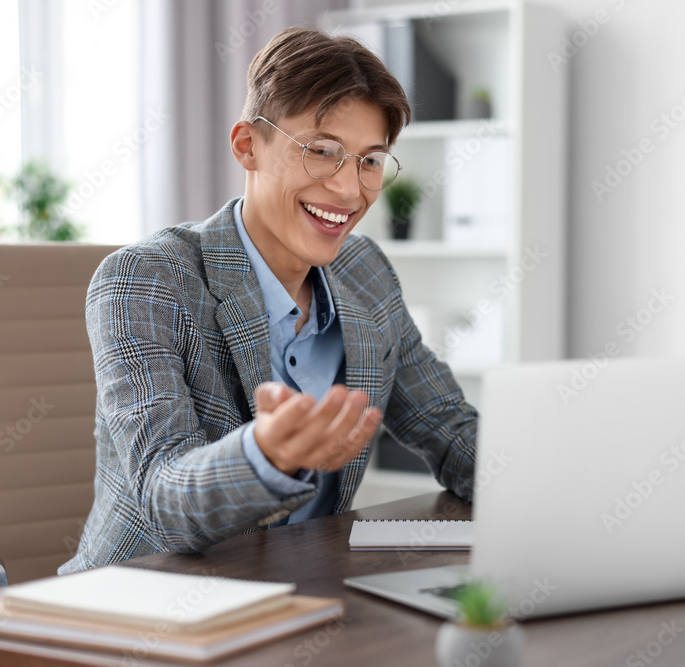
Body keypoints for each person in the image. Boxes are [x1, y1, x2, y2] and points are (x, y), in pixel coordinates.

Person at [60, 27, 477, 574]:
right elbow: (165, 501)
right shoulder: (145, 280)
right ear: (247, 146)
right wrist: (267, 454)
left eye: (370, 161)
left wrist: (566, 483)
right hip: (141, 605)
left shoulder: (366, 273)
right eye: (323, 151)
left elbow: (446, 425)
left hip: (301, 595)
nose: (350, 191)